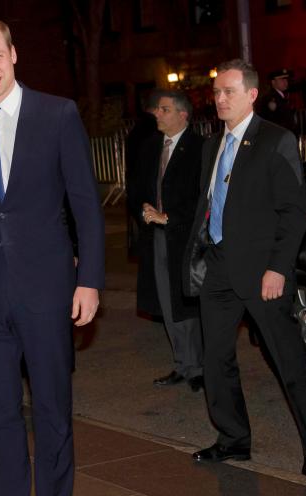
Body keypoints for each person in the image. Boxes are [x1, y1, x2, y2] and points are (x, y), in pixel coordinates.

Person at [0, 18, 105, 496]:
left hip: (48, 290)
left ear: (14, 55)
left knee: (51, 409)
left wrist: (89, 280)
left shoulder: (57, 113)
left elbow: (85, 203)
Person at [184, 59, 306, 479]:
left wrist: (278, 268)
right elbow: (209, 204)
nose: (220, 99)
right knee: (215, 358)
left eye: (229, 91)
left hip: (262, 272)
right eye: (216, 93)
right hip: (218, 268)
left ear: (251, 94)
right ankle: (233, 439)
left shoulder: (275, 139)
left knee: (287, 359)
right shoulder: (212, 145)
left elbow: (293, 212)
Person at [128, 90, 204, 392]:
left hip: (185, 239)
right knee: (168, 305)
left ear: (183, 115)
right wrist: (144, 208)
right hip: (156, 238)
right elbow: (136, 188)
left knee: (187, 305)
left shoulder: (199, 148)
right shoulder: (149, 147)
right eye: (157, 109)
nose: (157, 114)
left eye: (164, 109)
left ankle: (198, 367)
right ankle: (183, 364)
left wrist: (170, 217)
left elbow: (201, 198)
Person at [258, 68, 296, 133]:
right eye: (281, 80)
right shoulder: (271, 98)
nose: (285, 82)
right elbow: (273, 121)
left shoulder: (281, 96)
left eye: (286, 79)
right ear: (273, 82)